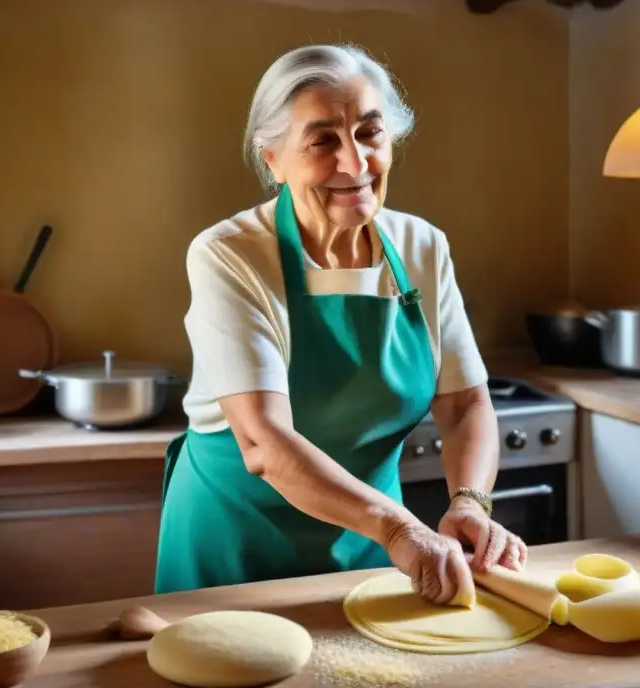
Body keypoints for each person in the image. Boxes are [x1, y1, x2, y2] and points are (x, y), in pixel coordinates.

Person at [155, 43, 528, 605]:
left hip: (368, 542)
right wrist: (400, 528)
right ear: (273, 158)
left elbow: (465, 403)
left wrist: (470, 501)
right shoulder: (228, 254)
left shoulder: (422, 246)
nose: (354, 163)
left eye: (370, 134)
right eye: (323, 140)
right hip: (235, 544)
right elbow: (263, 441)